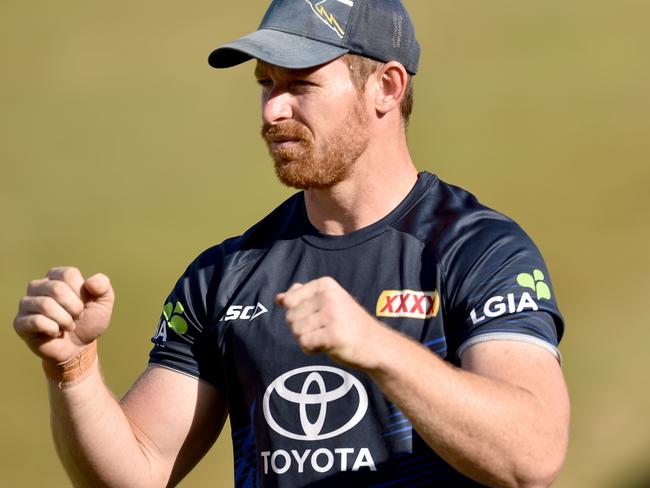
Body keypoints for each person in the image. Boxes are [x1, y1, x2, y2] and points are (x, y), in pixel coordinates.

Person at [13, 1, 570, 487]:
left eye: (300, 84)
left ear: (386, 87)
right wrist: (74, 367)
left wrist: (376, 347)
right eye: (265, 84)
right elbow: (137, 470)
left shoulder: (478, 251)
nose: (273, 110)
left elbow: (532, 457)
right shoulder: (224, 275)